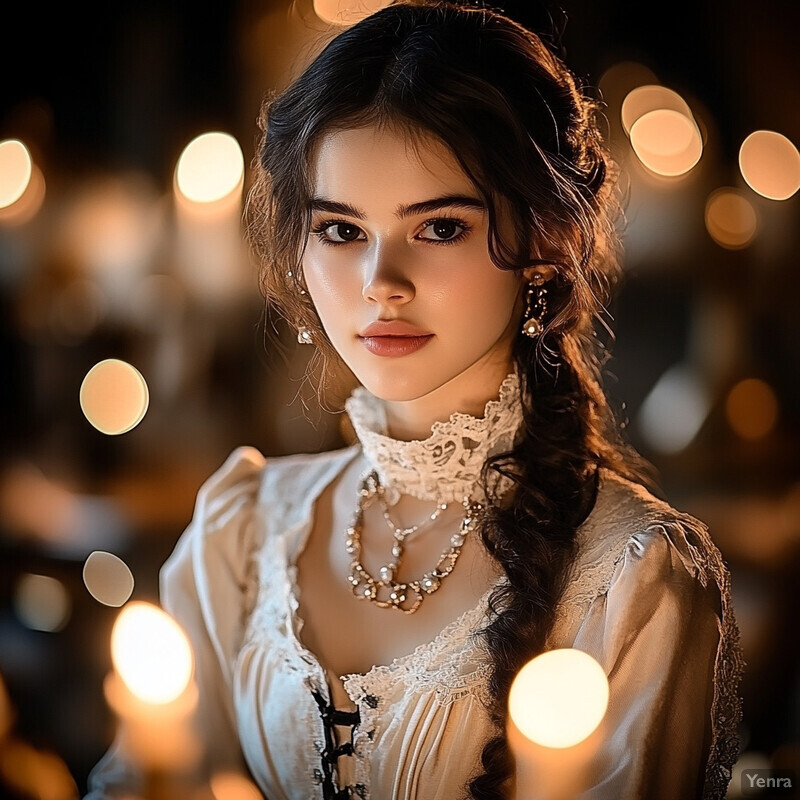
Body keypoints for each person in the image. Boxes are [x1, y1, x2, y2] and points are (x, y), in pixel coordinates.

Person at [86, 1, 744, 798]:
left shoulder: (634, 579)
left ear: (541, 244)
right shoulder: (244, 533)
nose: (380, 286)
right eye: (340, 231)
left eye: (438, 229)